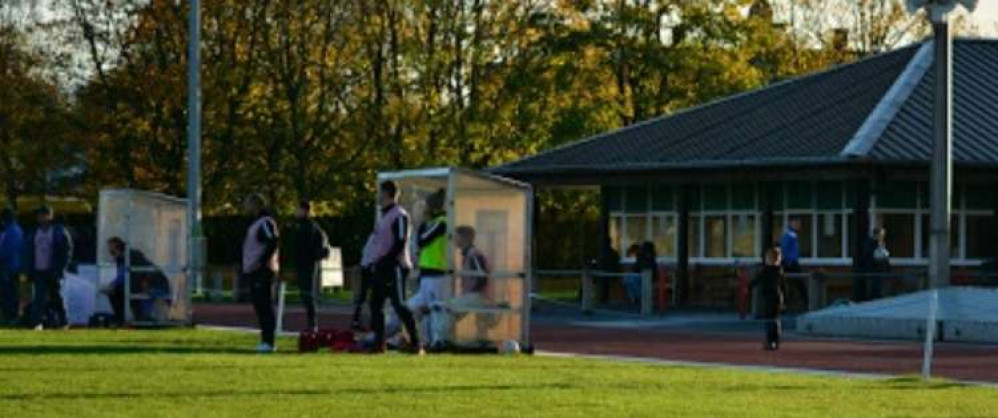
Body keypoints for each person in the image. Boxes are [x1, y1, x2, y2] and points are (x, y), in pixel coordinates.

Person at [366, 181, 421, 353]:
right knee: (376, 304)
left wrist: (387, 260)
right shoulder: (384, 215)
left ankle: (415, 342)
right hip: (381, 265)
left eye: (380, 192)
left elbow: (401, 240)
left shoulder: (400, 215)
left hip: (394, 265)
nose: (378, 196)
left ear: (388, 193)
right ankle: (379, 343)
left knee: (399, 304)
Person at [430, 225, 492, 349]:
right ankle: (444, 340)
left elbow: (482, 275)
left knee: (444, 307)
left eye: (456, 236)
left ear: (465, 238)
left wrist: (476, 292)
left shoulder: (474, 254)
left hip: (475, 296)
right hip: (471, 296)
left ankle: (441, 341)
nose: (454, 239)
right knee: (445, 308)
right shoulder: (468, 254)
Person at [406, 190, 449, 349]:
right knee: (415, 307)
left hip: (437, 272)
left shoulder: (442, 222)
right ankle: (422, 339)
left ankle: (438, 340)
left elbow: (424, 240)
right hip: (426, 273)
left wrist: (423, 225)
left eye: (428, 206)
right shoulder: (432, 223)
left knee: (436, 307)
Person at [241, 194, 280, 353]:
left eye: (247, 203)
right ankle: (265, 340)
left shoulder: (265, 222)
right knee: (260, 306)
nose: (245, 207)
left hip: (262, 271)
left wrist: (262, 263)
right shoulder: (257, 223)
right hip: (255, 270)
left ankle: (268, 342)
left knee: (265, 306)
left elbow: (273, 241)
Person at [102, 237, 171, 325]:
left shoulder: (131, 257)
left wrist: (113, 285)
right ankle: (125, 319)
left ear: (118, 247)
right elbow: (123, 276)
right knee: (117, 292)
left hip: (155, 285)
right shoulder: (123, 258)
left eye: (111, 249)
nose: (110, 251)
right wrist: (112, 285)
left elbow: (127, 275)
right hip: (142, 284)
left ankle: (136, 319)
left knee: (120, 292)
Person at [25, 206, 73, 330]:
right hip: (38, 270)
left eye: (44, 215)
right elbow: (28, 251)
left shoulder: (59, 231)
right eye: (39, 216)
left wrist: (61, 267)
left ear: (50, 216)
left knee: (56, 297)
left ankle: (63, 322)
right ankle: (36, 323)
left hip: (53, 270)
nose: (41, 218)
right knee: (38, 298)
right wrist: (29, 269)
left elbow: (67, 250)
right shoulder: (34, 232)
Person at [295, 200, 330, 331]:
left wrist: (312, 256)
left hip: (307, 263)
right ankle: (311, 324)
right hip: (303, 262)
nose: (296, 212)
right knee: (305, 294)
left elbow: (312, 246)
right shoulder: (301, 225)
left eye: (298, 209)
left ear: (305, 210)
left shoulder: (310, 227)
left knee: (307, 293)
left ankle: (312, 324)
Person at [751, 247, 787, 351]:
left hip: (769, 297)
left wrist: (748, 286)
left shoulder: (766, 270)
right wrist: (785, 300)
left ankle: (770, 341)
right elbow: (784, 287)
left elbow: (757, 280)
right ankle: (776, 341)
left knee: (770, 320)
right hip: (778, 297)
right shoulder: (780, 270)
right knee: (776, 320)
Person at [0, 209, 24, 325]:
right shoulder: (18, 230)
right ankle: (12, 316)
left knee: (8, 293)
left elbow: (5, 251)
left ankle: (9, 316)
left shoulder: (10, 231)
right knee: (13, 292)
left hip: (8, 267)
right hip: (15, 267)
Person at [779, 218, 808, 308]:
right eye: (796, 223)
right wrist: (789, 261)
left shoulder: (793, 235)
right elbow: (784, 249)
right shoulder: (789, 235)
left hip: (791, 261)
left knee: (795, 283)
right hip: (790, 263)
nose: (798, 225)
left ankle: (787, 303)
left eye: (799, 223)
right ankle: (805, 302)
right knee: (798, 283)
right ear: (790, 223)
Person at [856, 227, 890, 302]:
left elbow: (885, 256)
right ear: (877, 235)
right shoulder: (870, 243)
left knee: (879, 288)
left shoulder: (881, 243)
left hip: (880, 270)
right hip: (873, 270)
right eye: (881, 235)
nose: (883, 237)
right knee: (874, 289)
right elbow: (869, 256)